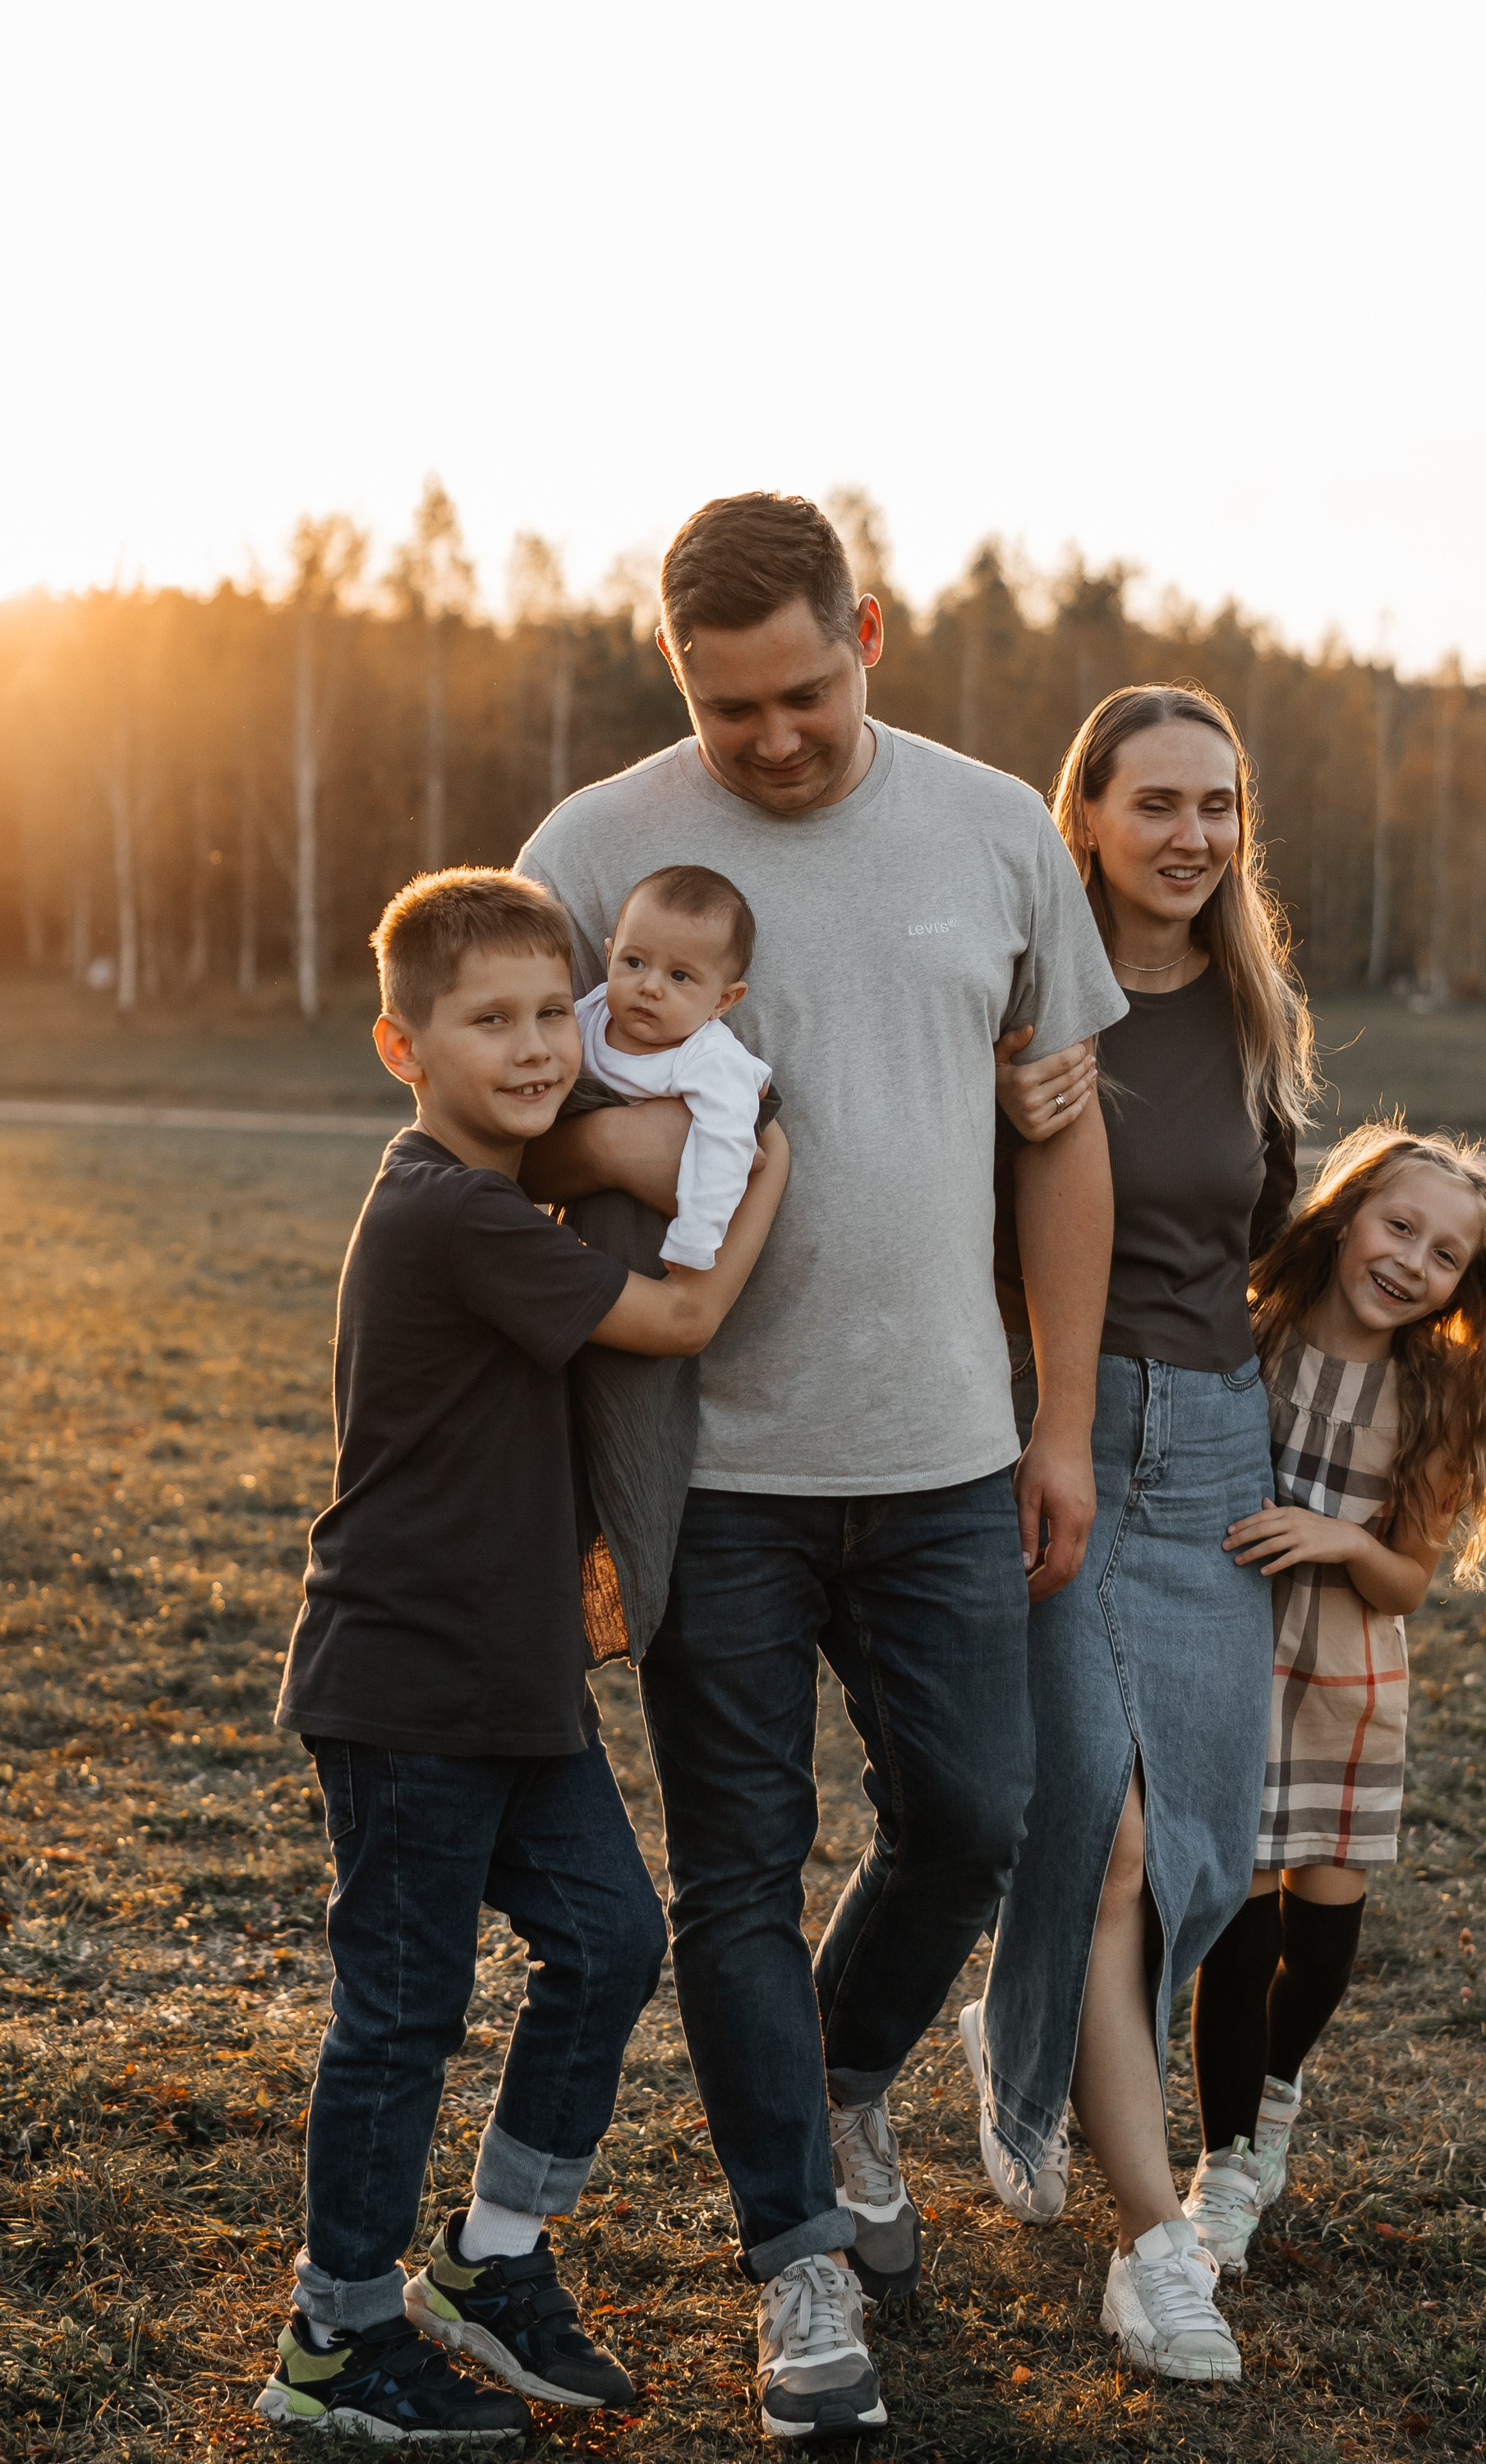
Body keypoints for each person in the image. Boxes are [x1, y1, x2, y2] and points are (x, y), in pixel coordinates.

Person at [516, 493, 1125, 2442]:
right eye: (723, 708)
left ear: (863, 625)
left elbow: (1061, 1130)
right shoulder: (590, 851)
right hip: (700, 1469)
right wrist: (606, 1158)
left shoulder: (992, 831)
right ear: (670, 675)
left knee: (972, 1810)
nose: (768, 738)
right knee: (735, 1877)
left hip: (946, 1445)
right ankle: (792, 2257)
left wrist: (1053, 1423)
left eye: (801, 690)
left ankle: (851, 2069)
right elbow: (490, 1105)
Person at [258, 868, 789, 2442]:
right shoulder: (450, 1211)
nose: (540, 1043)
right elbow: (684, 1324)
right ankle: (335, 2336)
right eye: (490, 1020)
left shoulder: (499, 1202)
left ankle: (492, 2261)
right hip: (407, 1683)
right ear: (401, 1047)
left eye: (556, 1008)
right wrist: (754, 1165)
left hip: (511, 1685)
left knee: (615, 1942)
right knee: (402, 2014)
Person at [963, 683, 1313, 2386]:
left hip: (1216, 1467)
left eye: (1219, 807)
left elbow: (1276, 1256)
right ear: (1082, 814)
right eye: (1156, 803)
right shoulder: (1024, 1006)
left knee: (1182, 1857)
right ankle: (1155, 2246)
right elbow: (925, 1223)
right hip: (1056, 1444)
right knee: (1099, 1838)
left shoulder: (1255, 1023)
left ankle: (1018, 2035)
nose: (1191, 837)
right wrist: (991, 1124)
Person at [1185, 1124, 1486, 2270]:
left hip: (1345, 1679)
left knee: (1320, 1942)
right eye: (1399, 1226)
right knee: (1236, 1932)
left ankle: (1278, 2088)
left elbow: (1408, 1583)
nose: (1410, 1262)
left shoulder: (1433, 1400)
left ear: (1463, 1286)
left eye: (1443, 1255)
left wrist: (1342, 1537)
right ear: (1344, 1215)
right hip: (1234, 1657)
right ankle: (1225, 2164)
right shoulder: (1253, 1332)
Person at [575, 862, 770, 1270]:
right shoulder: (587, 1014)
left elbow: (726, 1148)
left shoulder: (711, 1059)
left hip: (661, 1226)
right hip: (578, 1203)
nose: (650, 986)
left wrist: (694, 1239)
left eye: (679, 976)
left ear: (722, 1001)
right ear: (609, 956)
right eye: (634, 962)